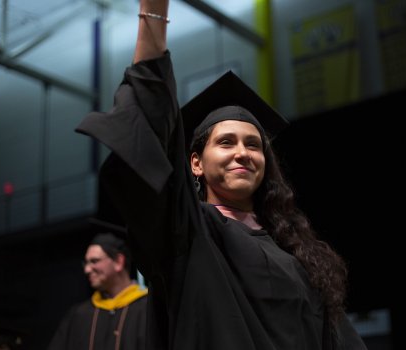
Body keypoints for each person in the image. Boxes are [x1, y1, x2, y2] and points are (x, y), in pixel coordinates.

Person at [76, 0, 368, 349]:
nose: (242, 153)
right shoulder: (190, 233)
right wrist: (154, 12)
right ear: (196, 163)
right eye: (226, 142)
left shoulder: (296, 251)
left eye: (253, 144)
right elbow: (150, 125)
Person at [47, 232, 150, 350]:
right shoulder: (79, 315)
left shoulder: (146, 309)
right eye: (85, 263)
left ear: (118, 262)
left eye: (94, 261)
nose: (87, 269)